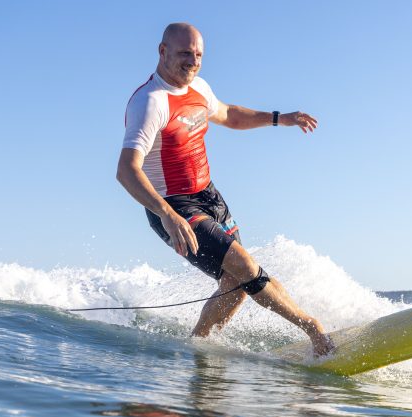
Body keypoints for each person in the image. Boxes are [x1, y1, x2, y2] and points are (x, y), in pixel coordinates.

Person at [116, 23, 334, 356]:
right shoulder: (149, 102)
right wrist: (168, 215)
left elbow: (229, 114)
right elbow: (126, 170)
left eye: (198, 54)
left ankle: (198, 348)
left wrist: (280, 118)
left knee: (237, 284)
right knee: (245, 267)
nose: (192, 61)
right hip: (174, 207)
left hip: (209, 196)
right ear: (162, 52)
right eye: (184, 53)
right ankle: (313, 329)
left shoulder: (199, 88)